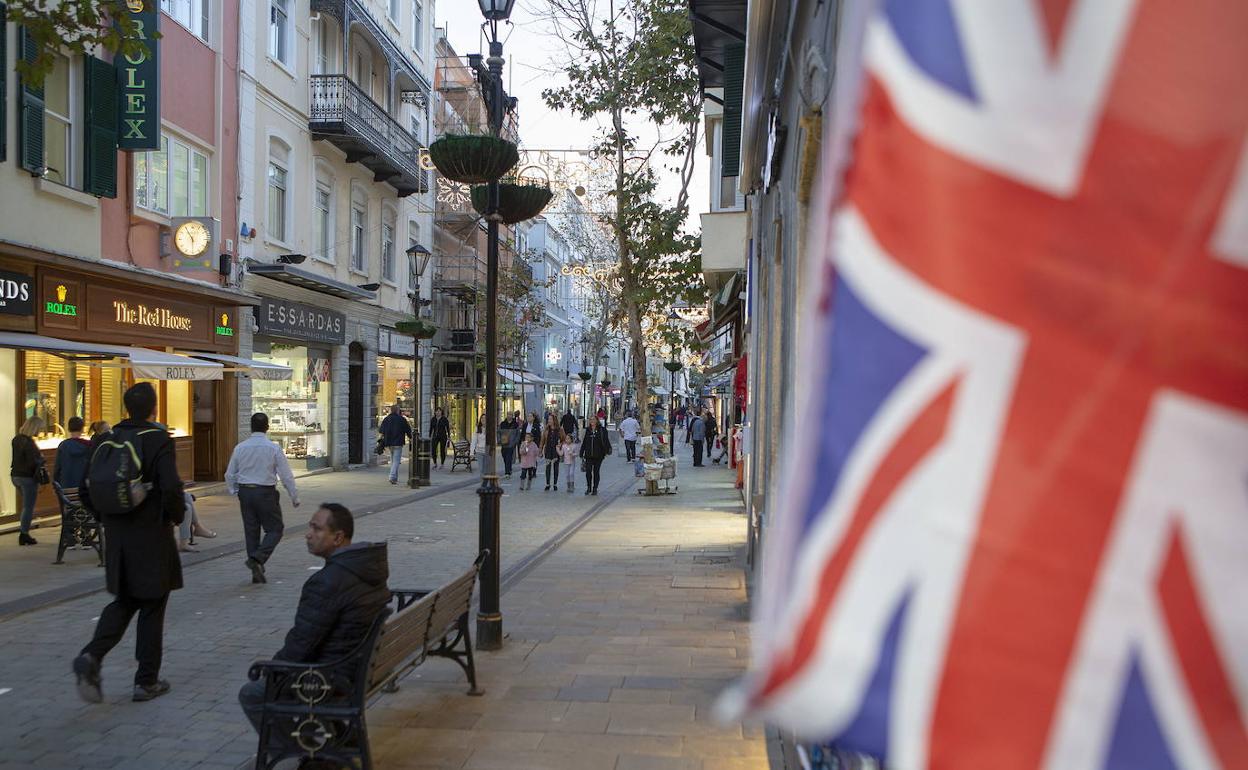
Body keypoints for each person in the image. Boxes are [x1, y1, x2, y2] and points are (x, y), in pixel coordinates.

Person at [73, 382, 186, 703]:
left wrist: (107, 516)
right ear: (154, 408)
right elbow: (171, 487)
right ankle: (146, 680)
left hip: (118, 538)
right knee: (152, 604)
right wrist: (175, 518)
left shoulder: (106, 439)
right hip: (151, 535)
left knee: (124, 600)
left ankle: (92, 655)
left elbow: (85, 489)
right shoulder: (157, 439)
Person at [239, 504, 389, 736]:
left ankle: (304, 749)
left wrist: (272, 671)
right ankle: (327, 741)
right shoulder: (368, 569)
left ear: (338, 537)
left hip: (331, 677)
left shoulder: (327, 582)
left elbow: (302, 643)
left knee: (253, 693)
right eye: (310, 527)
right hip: (359, 669)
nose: (308, 534)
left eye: (317, 529)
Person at [225, 413, 300, 584]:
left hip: (246, 492)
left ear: (251, 427)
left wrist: (235, 491)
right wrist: (294, 496)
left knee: (251, 531)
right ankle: (258, 559)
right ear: (267, 427)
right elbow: (286, 475)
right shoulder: (273, 448)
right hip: (265, 492)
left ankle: (255, 566)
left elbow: (230, 474)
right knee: (275, 529)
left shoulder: (240, 448)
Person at [11, 417, 46, 545]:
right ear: (34, 427)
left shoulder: (16, 439)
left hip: (15, 476)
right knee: (28, 507)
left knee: (25, 506)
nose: (41, 431)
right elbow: (32, 462)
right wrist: (41, 459)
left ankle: (24, 532)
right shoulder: (29, 442)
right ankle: (24, 534)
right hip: (27, 477)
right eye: (40, 428)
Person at [53, 416, 93, 491]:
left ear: (68, 429)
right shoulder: (89, 446)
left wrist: (56, 484)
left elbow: (57, 468)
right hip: (83, 486)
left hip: (66, 485)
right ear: (82, 429)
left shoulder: (63, 446)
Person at [378, 403, 412, 485]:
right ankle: (392, 476)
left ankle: (395, 477)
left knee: (393, 460)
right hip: (398, 442)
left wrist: (380, 440)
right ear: (397, 410)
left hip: (389, 442)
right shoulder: (402, 419)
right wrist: (411, 438)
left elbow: (381, 431)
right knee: (396, 461)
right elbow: (408, 430)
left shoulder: (386, 419)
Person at [579, 414, 612, 496]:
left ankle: (595, 488)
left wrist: (607, 450)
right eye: (590, 420)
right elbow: (585, 442)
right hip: (588, 455)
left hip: (599, 455)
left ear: (597, 421)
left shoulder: (602, 430)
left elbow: (606, 441)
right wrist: (581, 451)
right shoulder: (588, 430)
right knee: (588, 472)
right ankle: (589, 487)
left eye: (593, 419)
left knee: (596, 472)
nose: (592, 421)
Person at [540, 414, 565, 491]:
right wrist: (540, 450)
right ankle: (547, 484)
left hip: (556, 451)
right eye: (549, 419)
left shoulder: (560, 429)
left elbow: (564, 439)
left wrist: (560, 444)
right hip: (548, 450)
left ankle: (555, 484)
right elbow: (542, 440)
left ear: (554, 420)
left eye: (551, 419)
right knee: (548, 467)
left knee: (555, 468)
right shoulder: (546, 429)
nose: (549, 421)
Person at [499, 412, 520, 478]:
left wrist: (515, 442)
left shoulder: (515, 424)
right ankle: (509, 469)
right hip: (504, 443)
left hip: (511, 444)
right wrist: (499, 440)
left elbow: (518, 434)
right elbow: (498, 432)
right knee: (504, 457)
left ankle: (507, 472)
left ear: (512, 416)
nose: (509, 416)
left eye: (511, 415)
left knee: (509, 457)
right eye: (508, 414)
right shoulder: (502, 424)